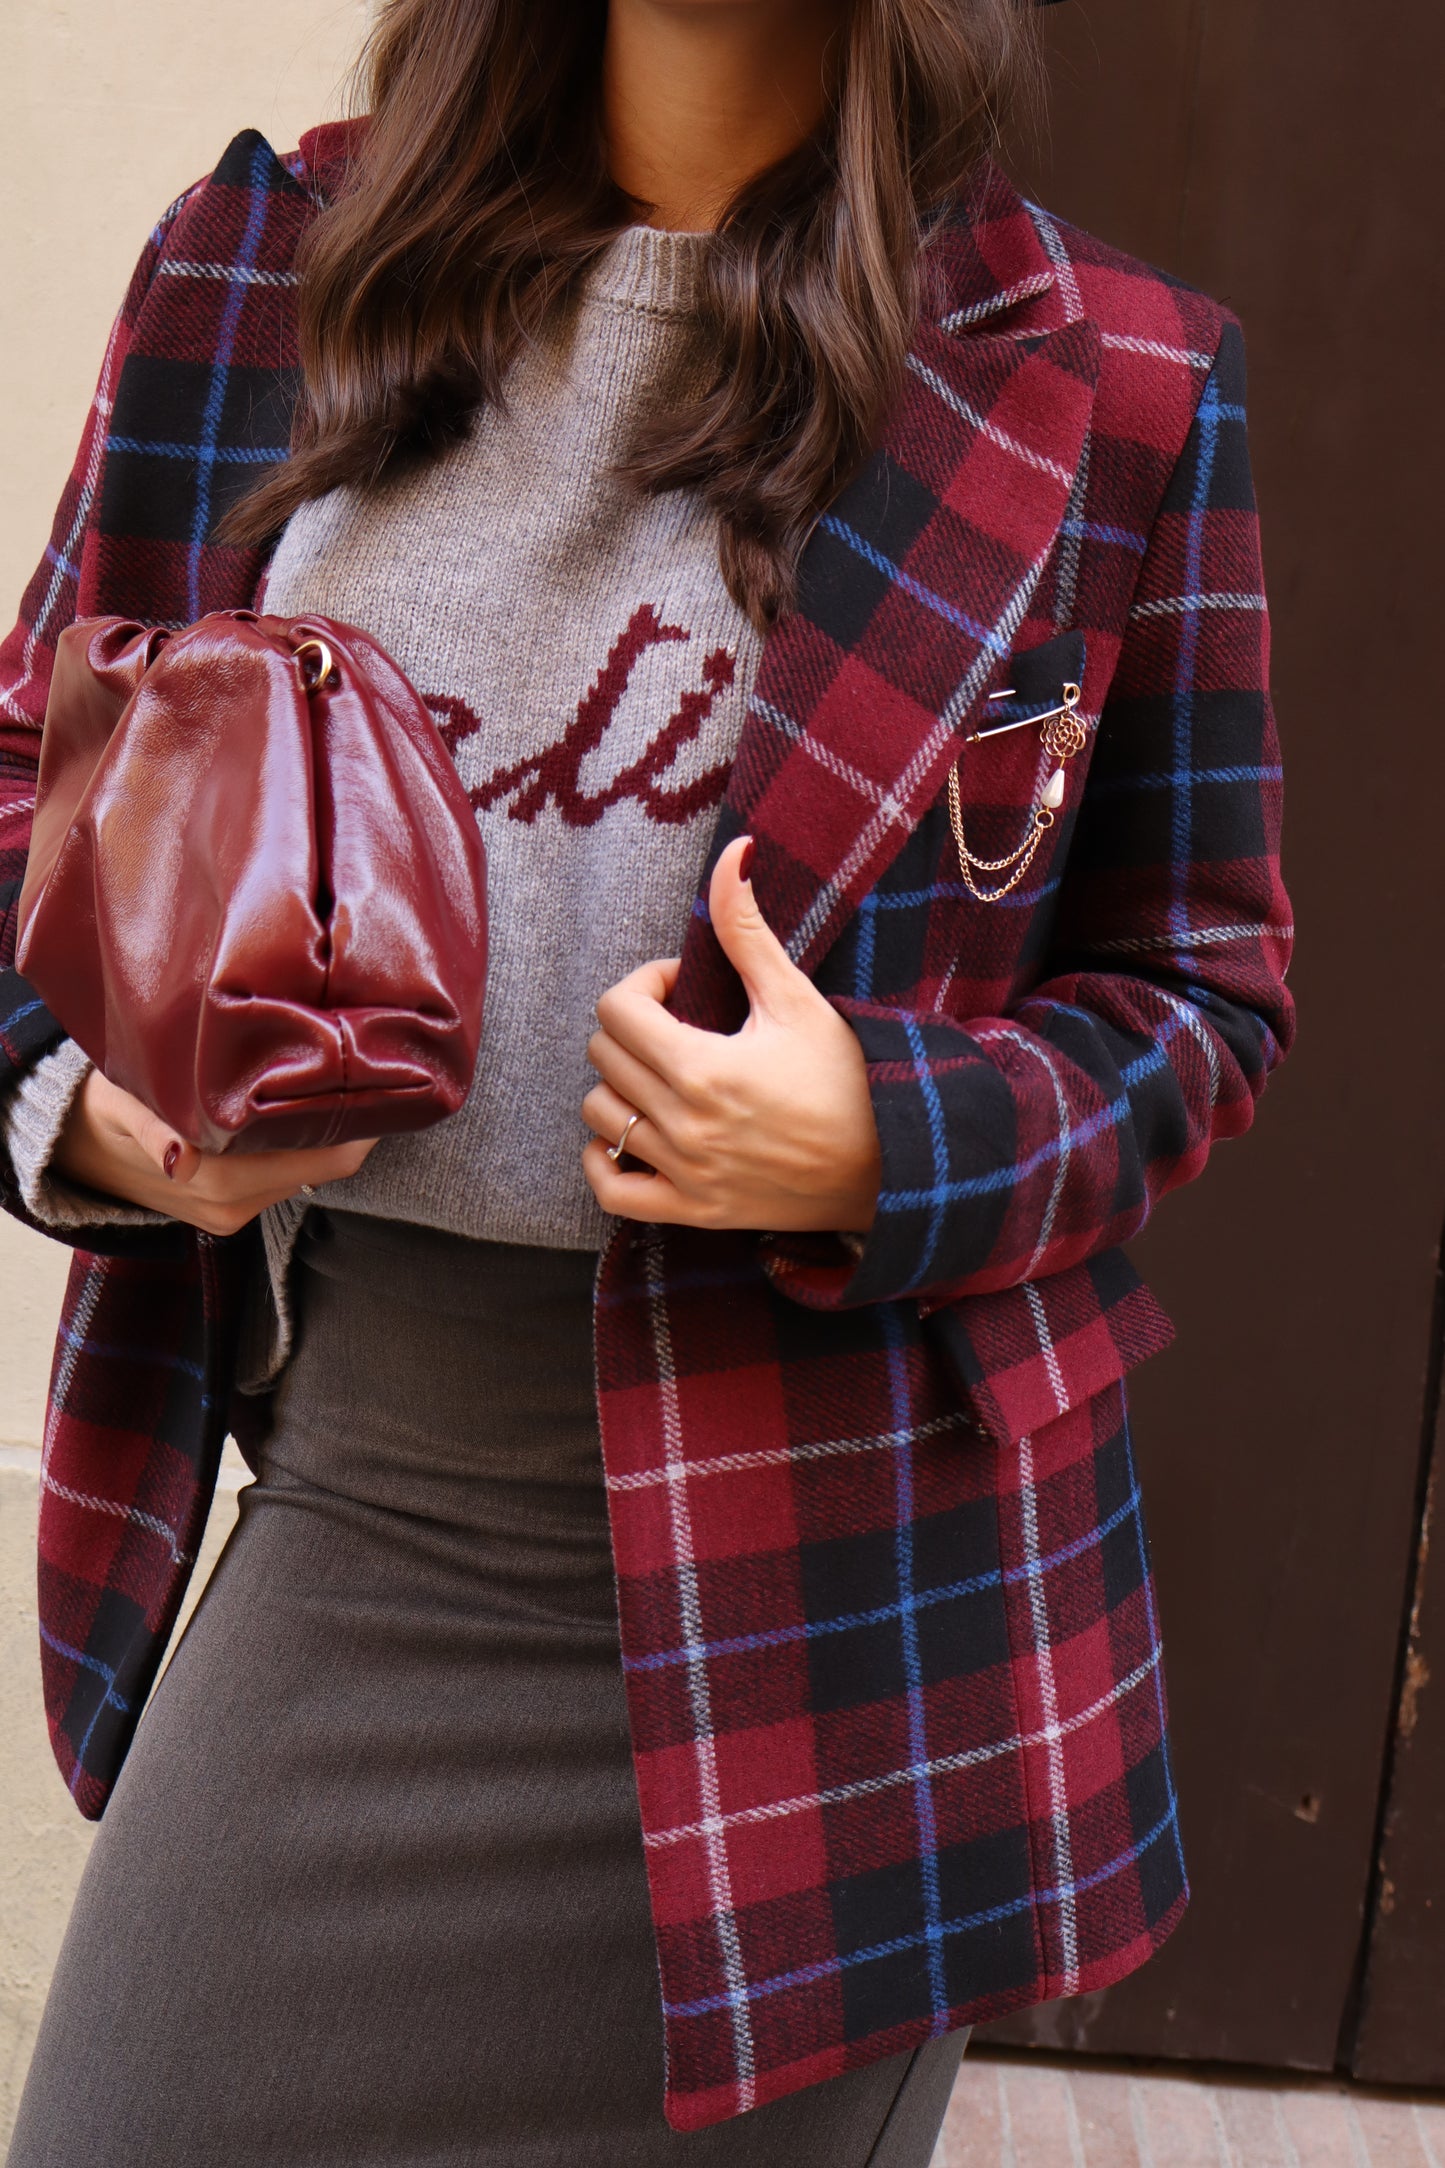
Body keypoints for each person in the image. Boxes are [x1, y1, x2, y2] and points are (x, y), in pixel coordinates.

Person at [0, 0, 1294, 2160]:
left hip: (849, 1610)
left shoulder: (1115, 379)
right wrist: (91, 1110)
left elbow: (1205, 989)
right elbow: (29, 781)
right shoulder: (262, 269)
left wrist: (892, 1134)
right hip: (371, 1503)